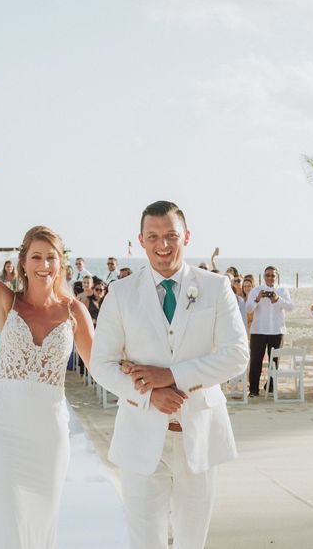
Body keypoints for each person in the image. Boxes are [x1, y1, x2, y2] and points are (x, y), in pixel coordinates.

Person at [0, 173, 94, 549]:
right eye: (36, 257)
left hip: (49, 433)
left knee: (40, 521)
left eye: (51, 258)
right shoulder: (5, 302)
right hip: (2, 428)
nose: (44, 264)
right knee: (9, 515)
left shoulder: (75, 311)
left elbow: (102, 365)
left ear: (61, 263)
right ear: (22, 262)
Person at [90, 201, 248, 549]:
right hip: (141, 437)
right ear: (141, 241)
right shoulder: (120, 293)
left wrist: (172, 376)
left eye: (171, 236)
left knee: (193, 542)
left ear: (186, 237)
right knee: (145, 542)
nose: (163, 245)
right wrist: (148, 394)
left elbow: (237, 355)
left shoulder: (216, 287)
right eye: (154, 237)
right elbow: (101, 363)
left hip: (200, 437)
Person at [246, 266, 294, 395]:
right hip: (258, 330)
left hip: (277, 330)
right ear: (263, 276)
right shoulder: (256, 290)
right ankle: (254, 389)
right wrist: (257, 299)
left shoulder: (282, 290)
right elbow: (248, 309)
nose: (270, 278)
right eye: (267, 275)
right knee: (256, 360)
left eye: (272, 275)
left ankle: (271, 387)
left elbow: (290, 307)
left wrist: (278, 299)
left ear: (277, 277)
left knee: (275, 361)